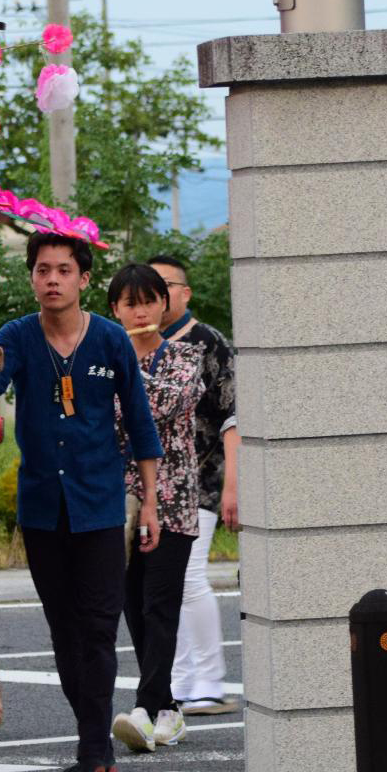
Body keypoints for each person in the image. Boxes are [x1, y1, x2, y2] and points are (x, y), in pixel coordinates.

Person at [0, 234, 161, 772]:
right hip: (42, 508)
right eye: (41, 270)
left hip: (101, 505)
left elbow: (139, 422)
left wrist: (149, 502)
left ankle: (95, 749)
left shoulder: (109, 340)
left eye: (63, 270)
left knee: (100, 628)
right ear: (32, 278)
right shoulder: (17, 336)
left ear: (83, 279)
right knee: (64, 630)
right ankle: (91, 742)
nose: (51, 279)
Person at [105, 263, 206, 753]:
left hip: (173, 501)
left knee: (159, 604)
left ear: (164, 305)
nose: (141, 310)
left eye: (149, 300)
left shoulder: (185, 357)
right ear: (114, 311)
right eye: (129, 303)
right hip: (118, 502)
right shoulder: (104, 359)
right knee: (133, 607)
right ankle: (167, 709)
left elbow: (160, 406)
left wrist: (120, 381)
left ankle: (145, 710)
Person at [145, 252, 238, 717]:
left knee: (189, 578)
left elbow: (233, 418)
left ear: (184, 293)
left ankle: (210, 680)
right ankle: (178, 680)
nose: (157, 298)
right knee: (161, 586)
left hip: (200, 478)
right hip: (148, 483)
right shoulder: (137, 344)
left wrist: (233, 487)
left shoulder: (209, 342)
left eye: (165, 286)